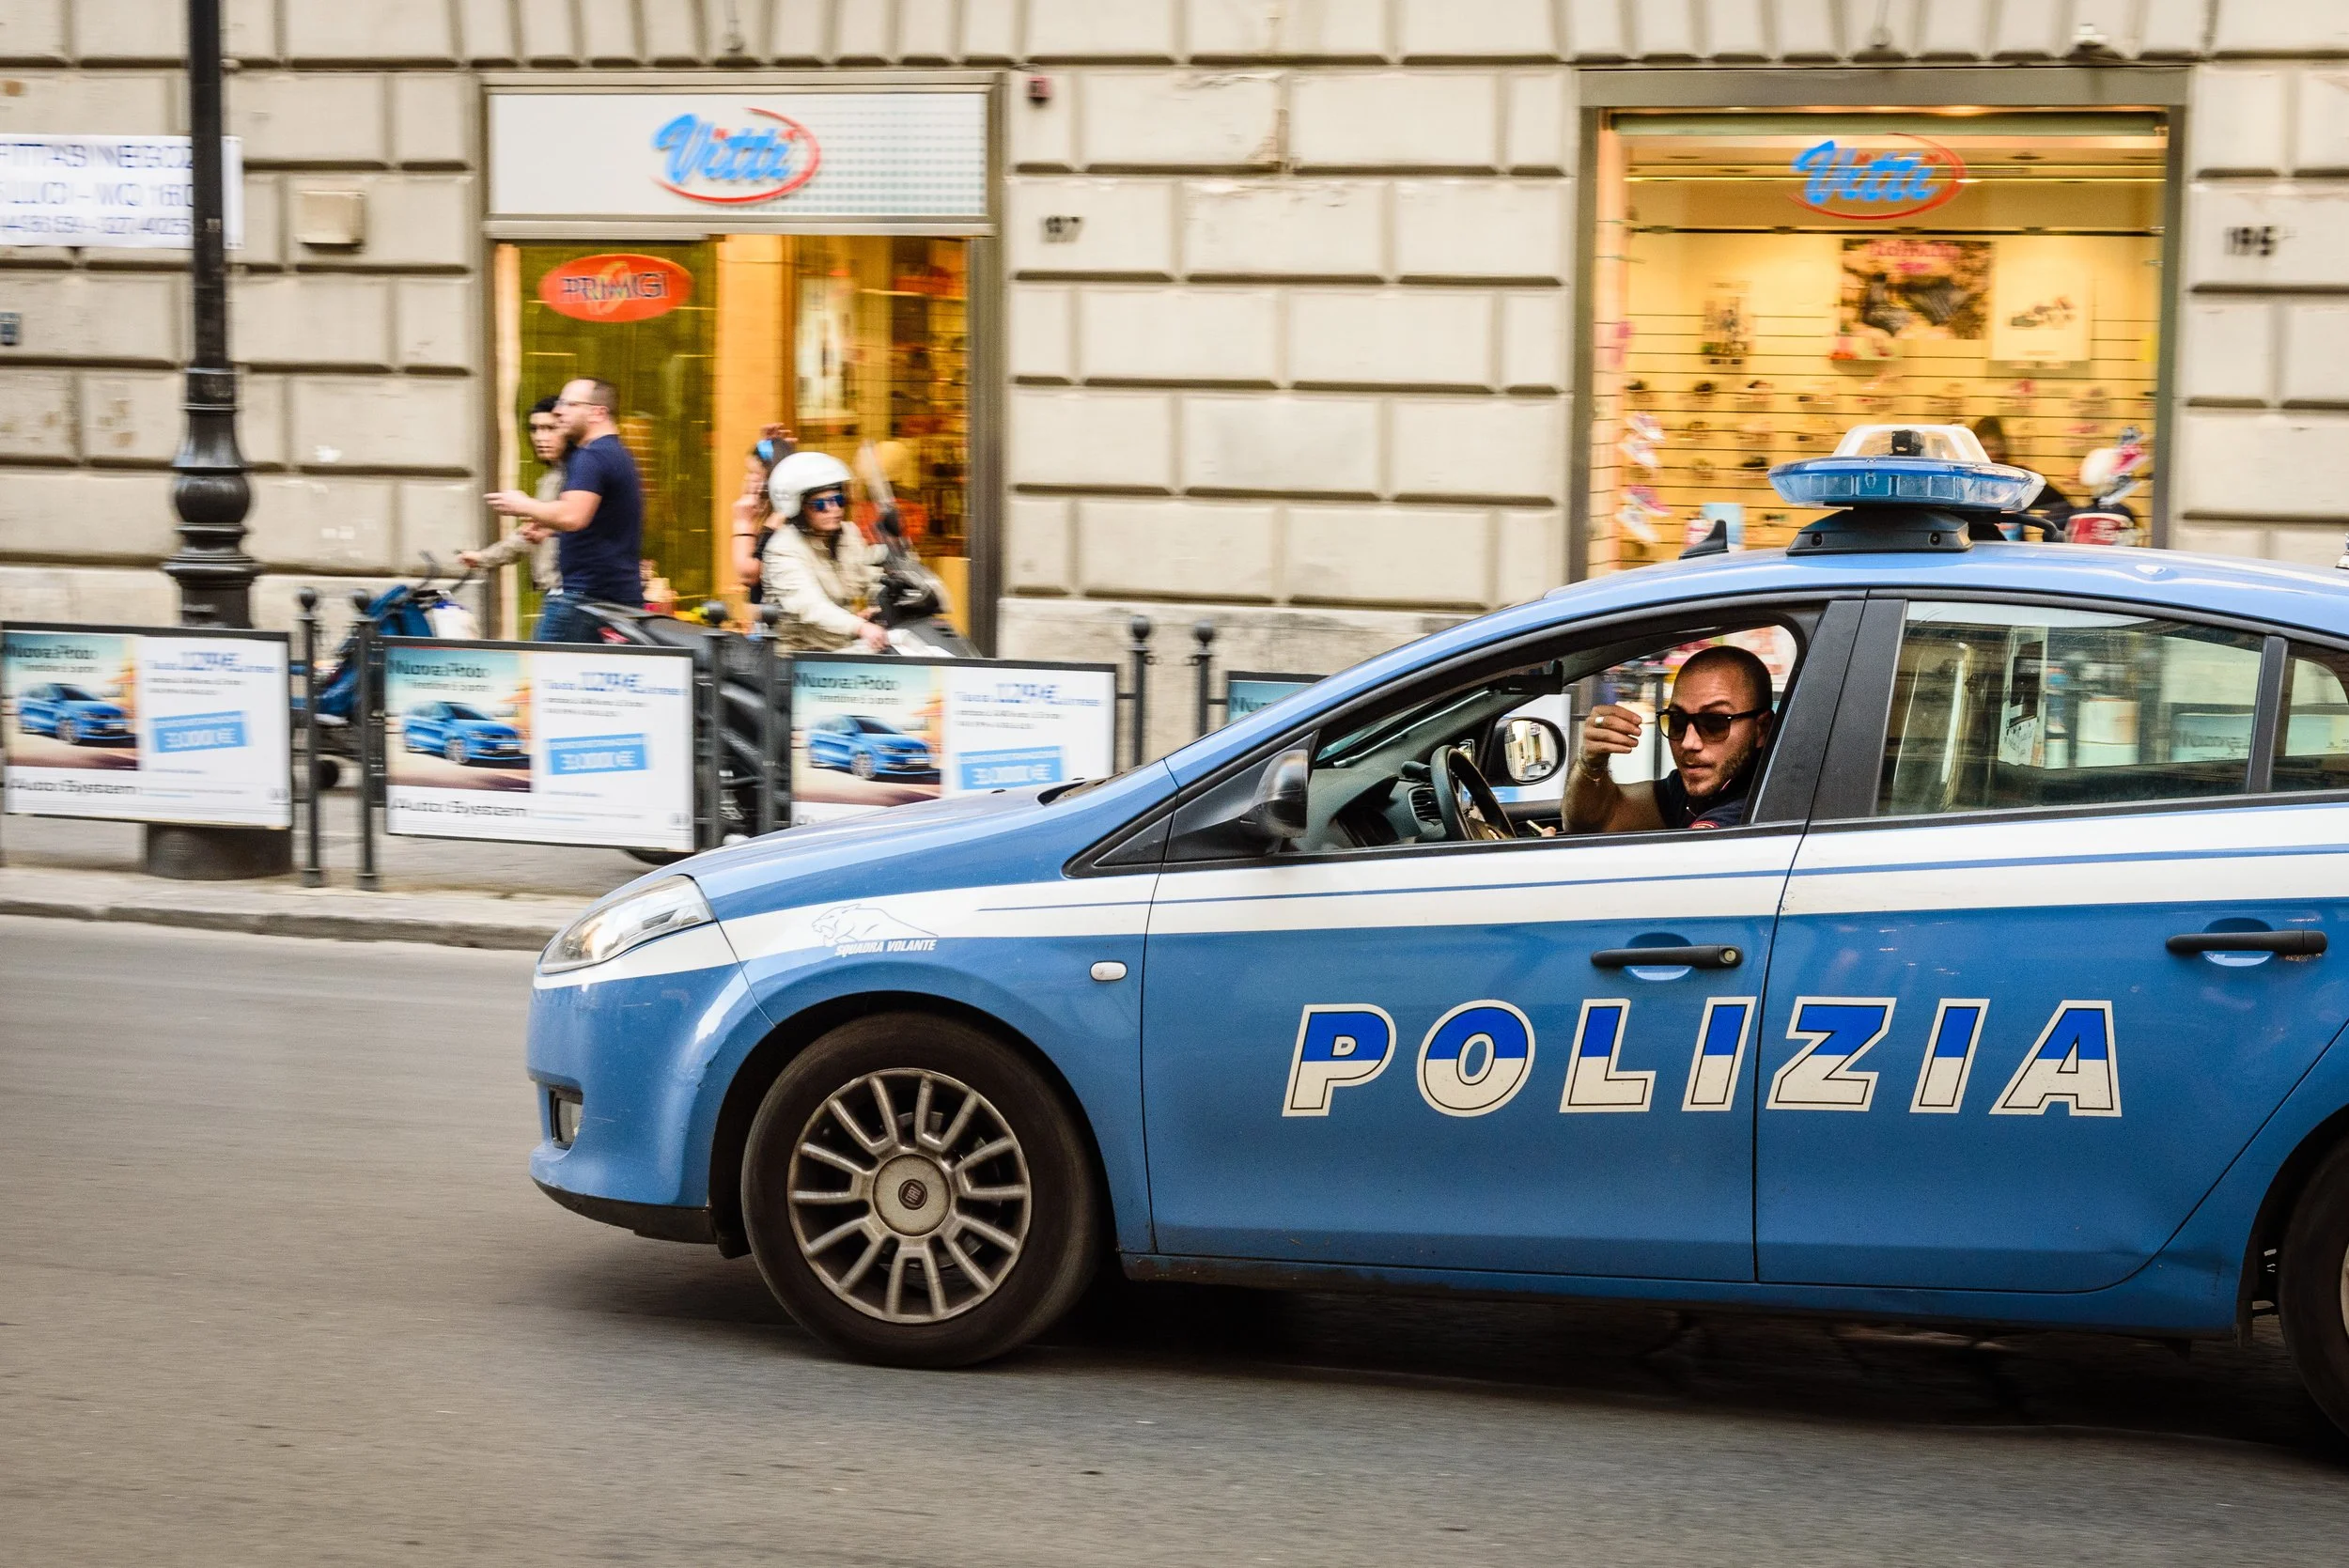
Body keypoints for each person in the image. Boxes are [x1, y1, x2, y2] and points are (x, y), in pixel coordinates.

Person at [483, 378, 643, 643]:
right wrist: (549, 529)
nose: (558, 411)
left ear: (597, 412)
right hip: (616, 595)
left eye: (569, 404)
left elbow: (572, 516)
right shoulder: (617, 453)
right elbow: (599, 522)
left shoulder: (590, 456)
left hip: (583, 599)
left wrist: (523, 504)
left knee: (549, 679)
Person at [1563, 645, 1774, 833]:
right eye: (1678, 720)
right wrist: (1591, 761)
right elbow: (1599, 820)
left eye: (1715, 723)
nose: (1688, 743)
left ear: (1761, 729)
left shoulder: (1750, 811)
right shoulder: (1706, 786)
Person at [760, 450, 889, 653]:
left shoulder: (848, 534)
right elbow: (810, 606)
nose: (834, 509)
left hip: (843, 649)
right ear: (799, 509)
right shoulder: (783, 549)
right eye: (820, 505)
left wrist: (882, 599)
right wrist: (860, 627)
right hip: (800, 660)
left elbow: (869, 575)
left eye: (838, 500)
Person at [460, 395, 566, 590]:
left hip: (572, 590)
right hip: (557, 589)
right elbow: (527, 535)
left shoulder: (579, 475)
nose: (540, 438)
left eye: (550, 428)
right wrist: (484, 558)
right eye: (534, 429)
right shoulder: (551, 478)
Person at [729, 426, 794, 598]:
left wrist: (742, 522)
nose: (747, 478)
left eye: (753, 472)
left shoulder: (780, 519)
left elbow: (747, 573)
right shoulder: (775, 516)